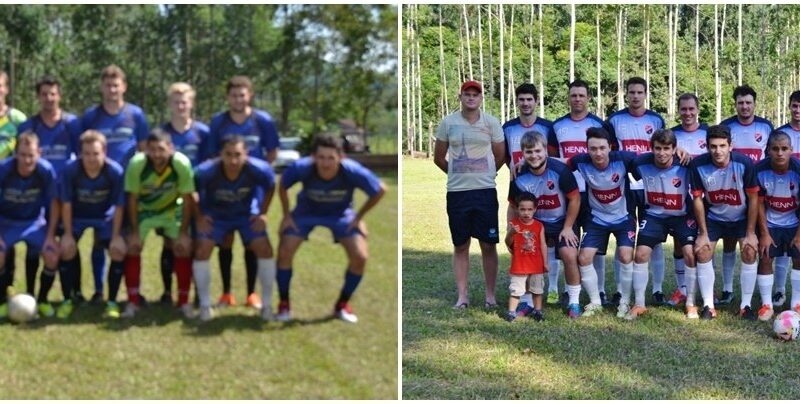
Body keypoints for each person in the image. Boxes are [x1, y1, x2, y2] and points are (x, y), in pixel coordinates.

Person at [276, 133, 385, 323]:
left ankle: (342, 305)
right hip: (305, 213)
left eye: (330, 158)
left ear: (340, 157)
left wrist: (359, 217)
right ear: (313, 157)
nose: (325, 163)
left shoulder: (351, 170)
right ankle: (284, 304)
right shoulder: (301, 168)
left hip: (340, 214)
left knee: (360, 256)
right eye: (321, 157)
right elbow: (282, 185)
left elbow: (380, 189)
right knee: (285, 250)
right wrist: (286, 216)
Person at [206, 75, 280, 310]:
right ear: (228, 97)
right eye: (234, 94)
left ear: (250, 95)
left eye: (242, 94)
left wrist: (256, 173)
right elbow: (212, 154)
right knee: (225, 240)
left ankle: (251, 293)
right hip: (225, 188)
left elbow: (272, 152)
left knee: (252, 240)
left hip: (252, 189)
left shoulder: (263, 120)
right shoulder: (219, 121)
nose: (238, 98)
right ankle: (226, 293)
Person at [79, 64, 149, 305]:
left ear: (124, 87)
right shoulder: (91, 116)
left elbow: (143, 150)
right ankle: (99, 291)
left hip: (128, 186)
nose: (112, 89)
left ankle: (130, 291)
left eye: (116, 85)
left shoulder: (136, 115)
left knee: (128, 239)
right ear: (101, 88)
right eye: (108, 85)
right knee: (100, 239)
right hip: (99, 185)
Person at [433, 80, 505, 309]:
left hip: (484, 191)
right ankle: (462, 296)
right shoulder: (448, 123)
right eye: (467, 94)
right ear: (461, 97)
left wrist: (485, 175)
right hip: (458, 193)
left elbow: (500, 156)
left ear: (481, 98)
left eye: (475, 94)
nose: (471, 98)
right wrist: (457, 173)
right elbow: (439, 157)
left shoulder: (492, 123)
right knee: (461, 245)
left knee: (488, 244)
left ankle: (490, 296)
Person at [508, 131, 591, 318]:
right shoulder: (518, 175)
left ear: (546, 150)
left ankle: (574, 301)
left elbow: (575, 199)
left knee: (569, 254)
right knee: (527, 256)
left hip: (562, 221)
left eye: (538, 150)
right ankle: (527, 302)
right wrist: (511, 228)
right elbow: (513, 206)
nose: (534, 155)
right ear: (522, 153)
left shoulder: (560, 171)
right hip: (535, 223)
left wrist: (568, 227)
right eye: (529, 152)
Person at [193, 136, 276, 321]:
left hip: (246, 214)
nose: (233, 160)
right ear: (220, 154)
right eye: (228, 155)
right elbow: (191, 190)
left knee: (265, 248)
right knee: (202, 249)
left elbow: (271, 186)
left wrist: (263, 213)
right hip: (217, 215)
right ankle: (205, 306)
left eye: (238, 155)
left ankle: (268, 306)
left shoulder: (259, 169)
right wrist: (200, 216)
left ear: (246, 154)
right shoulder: (206, 171)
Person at [606, 77, 670, 306]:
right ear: (626, 94)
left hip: (651, 184)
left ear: (645, 94)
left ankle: (658, 289)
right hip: (623, 184)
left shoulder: (655, 119)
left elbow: (664, 145)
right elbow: (610, 152)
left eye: (639, 92)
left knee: (653, 238)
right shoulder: (614, 120)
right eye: (631, 92)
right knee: (623, 236)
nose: (635, 96)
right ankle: (620, 290)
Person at [548, 79, 612, 306]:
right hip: (568, 193)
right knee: (569, 243)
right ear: (569, 98)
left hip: (595, 191)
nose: (577, 99)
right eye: (573, 95)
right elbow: (554, 159)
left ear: (588, 98)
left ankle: (601, 291)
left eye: (581, 95)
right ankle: (568, 290)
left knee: (598, 244)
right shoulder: (557, 126)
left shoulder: (599, 124)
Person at [17, 76, 81, 301]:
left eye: (53, 93)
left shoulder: (72, 124)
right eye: (44, 94)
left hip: (65, 193)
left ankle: (74, 292)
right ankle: (30, 293)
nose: (49, 98)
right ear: (38, 97)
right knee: (35, 245)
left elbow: (79, 158)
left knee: (68, 242)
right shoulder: (28, 126)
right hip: (37, 194)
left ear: (59, 95)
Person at [689, 125, 759, 320]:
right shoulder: (698, 165)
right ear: (707, 146)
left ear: (731, 146)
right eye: (713, 146)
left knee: (750, 250)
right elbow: (697, 199)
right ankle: (708, 306)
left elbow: (753, 198)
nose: (717, 151)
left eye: (722, 146)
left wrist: (751, 232)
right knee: (702, 250)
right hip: (714, 218)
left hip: (741, 218)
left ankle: (746, 305)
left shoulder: (745, 163)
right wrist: (702, 233)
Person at [122, 129, 194, 318]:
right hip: (145, 212)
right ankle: (133, 301)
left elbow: (188, 199)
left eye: (161, 149)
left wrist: (184, 232)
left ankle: (184, 302)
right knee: (133, 247)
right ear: (146, 149)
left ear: (171, 148)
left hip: (172, 210)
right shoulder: (137, 164)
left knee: (183, 247)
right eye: (152, 150)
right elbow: (132, 199)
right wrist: (135, 231)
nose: (156, 155)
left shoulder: (181, 163)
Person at [567, 127, 637, 318]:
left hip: (623, 218)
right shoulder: (580, 162)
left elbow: (651, 159)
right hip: (597, 219)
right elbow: (558, 165)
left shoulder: (624, 159)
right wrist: (525, 161)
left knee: (625, 256)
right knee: (584, 258)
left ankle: (624, 301)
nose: (598, 153)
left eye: (602, 148)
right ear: (587, 149)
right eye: (593, 148)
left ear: (610, 147)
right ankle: (595, 301)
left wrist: (679, 152)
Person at [629, 129, 698, 320]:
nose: (662, 153)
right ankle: (639, 303)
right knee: (641, 254)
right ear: (651, 148)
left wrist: (685, 152)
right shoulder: (639, 163)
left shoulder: (686, 164)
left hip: (682, 216)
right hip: (654, 216)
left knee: (690, 254)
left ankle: (691, 302)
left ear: (675, 149)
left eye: (667, 148)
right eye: (658, 148)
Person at [58, 130, 126, 318]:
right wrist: (68, 234)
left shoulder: (115, 171)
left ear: (105, 151)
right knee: (66, 248)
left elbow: (119, 206)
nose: (91, 158)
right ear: (80, 153)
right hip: (78, 216)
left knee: (118, 250)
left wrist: (116, 236)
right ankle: (70, 298)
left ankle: (111, 302)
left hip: (104, 217)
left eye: (95, 153)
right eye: (86, 153)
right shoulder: (71, 170)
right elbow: (66, 204)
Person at [717, 85, 774, 306]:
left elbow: (770, 154)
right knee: (731, 240)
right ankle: (728, 288)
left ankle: (767, 291)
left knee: (759, 239)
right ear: (736, 105)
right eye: (741, 103)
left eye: (748, 102)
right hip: (733, 188)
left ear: (754, 104)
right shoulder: (727, 126)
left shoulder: (766, 126)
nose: (745, 106)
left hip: (760, 188)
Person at [157, 82, 209, 306]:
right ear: (170, 104)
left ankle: (197, 292)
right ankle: (168, 292)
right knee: (170, 243)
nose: (180, 106)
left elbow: (210, 165)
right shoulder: (161, 133)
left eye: (184, 102)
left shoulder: (203, 132)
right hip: (169, 196)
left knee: (197, 243)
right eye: (176, 102)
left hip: (196, 195)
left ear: (191, 104)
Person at [502, 83, 553, 307]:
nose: (525, 103)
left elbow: (552, 156)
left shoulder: (547, 127)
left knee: (544, 236)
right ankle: (523, 297)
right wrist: (518, 167)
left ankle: (550, 290)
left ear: (536, 101)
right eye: (521, 99)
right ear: (517, 101)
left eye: (529, 99)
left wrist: (530, 161)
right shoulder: (508, 127)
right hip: (521, 184)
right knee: (522, 237)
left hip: (545, 183)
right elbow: (505, 157)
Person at [0, 132, 59, 318]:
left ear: (39, 153)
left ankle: (41, 300)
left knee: (51, 255)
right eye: (23, 155)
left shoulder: (46, 170)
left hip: (34, 222)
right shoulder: (3, 169)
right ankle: (2, 301)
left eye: (31, 155)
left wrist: (50, 236)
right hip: (6, 222)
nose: (27, 160)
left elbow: (54, 204)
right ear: (16, 154)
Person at [662, 93, 708, 308]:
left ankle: (707, 288)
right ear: (678, 110)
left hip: (706, 197)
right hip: (680, 197)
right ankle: (682, 289)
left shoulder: (708, 133)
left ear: (697, 109)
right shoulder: (672, 135)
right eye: (683, 109)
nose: (687, 113)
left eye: (691, 108)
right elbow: (660, 153)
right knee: (681, 244)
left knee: (705, 243)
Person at [755, 130, 800, 320]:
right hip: (770, 221)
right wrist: (764, 233)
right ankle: (766, 305)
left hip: (794, 222)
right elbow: (758, 203)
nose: (780, 153)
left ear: (791, 150)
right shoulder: (759, 169)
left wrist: (799, 236)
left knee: (799, 256)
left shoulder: (798, 170)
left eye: (784, 149)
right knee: (765, 256)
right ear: (768, 151)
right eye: (775, 149)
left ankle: (796, 303)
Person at [0, 69, 27, 296]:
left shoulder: (18, 119)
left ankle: (7, 285)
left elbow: (27, 148)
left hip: (11, 187)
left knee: (7, 239)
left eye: (0, 85)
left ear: (6, 89)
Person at [773, 90, 800, 306]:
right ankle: (780, 291)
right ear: (789, 107)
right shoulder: (781, 133)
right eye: (795, 105)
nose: (798, 110)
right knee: (783, 247)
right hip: (786, 190)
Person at [504, 193, 547, 322]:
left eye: (529, 209)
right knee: (516, 290)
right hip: (519, 265)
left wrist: (545, 263)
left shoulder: (539, 226)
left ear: (535, 209)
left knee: (537, 289)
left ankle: (538, 311)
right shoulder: (514, 224)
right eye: (522, 209)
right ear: (517, 209)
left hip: (536, 264)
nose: (526, 213)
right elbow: (508, 243)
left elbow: (543, 245)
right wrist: (511, 233)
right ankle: (511, 312)